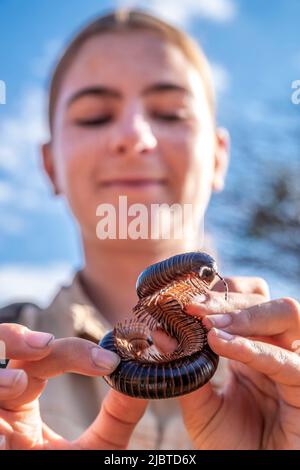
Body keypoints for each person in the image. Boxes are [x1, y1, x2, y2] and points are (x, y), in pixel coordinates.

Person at [0, 9, 299, 450]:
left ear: (218, 157)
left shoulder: (289, 363)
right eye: (95, 116)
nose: (135, 135)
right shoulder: (12, 363)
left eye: (170, 113)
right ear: (50, 165)